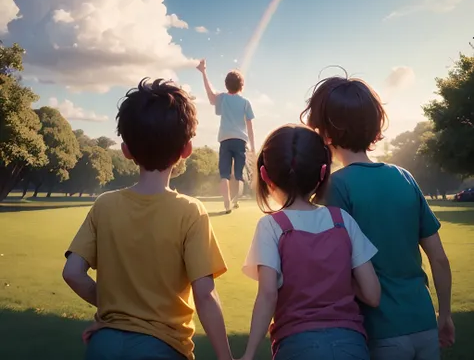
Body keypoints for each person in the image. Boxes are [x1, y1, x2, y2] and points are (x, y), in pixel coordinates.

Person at [63, 79, 232, 360]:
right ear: (187, 149)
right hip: (162, 347)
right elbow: (205, 295)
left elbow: (72, 273)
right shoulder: (191, 211)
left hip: (102, 345)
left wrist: (114, 312)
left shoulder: (104, 205)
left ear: (126, 150)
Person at [301, 75, 455, 360]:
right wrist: (444, 315)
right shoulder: (404, 177)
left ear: (325, 130)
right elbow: (439, 259)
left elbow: (331, 269)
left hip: (379, 330)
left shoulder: (335, 187)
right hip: (424, 324)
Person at [240, 124, 380, 360]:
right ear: (323, 172)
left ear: (265, 175)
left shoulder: (272, 227)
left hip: (297, 345)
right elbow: (373, 295)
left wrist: (249, 354)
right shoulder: (342, 220)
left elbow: (267, 295)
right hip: (352, 345)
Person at [197, 59, 255, 213]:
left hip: (225, 140)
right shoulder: (245, 102)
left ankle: (227, 202)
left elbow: (210, 94)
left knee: (225, 175)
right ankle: (235, 200)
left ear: (226, 84)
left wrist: (203, 72)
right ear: (242, 85)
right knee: (238, 175)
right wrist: (253, 148)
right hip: (240, 141)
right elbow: (250, 126)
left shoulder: (222, 98)